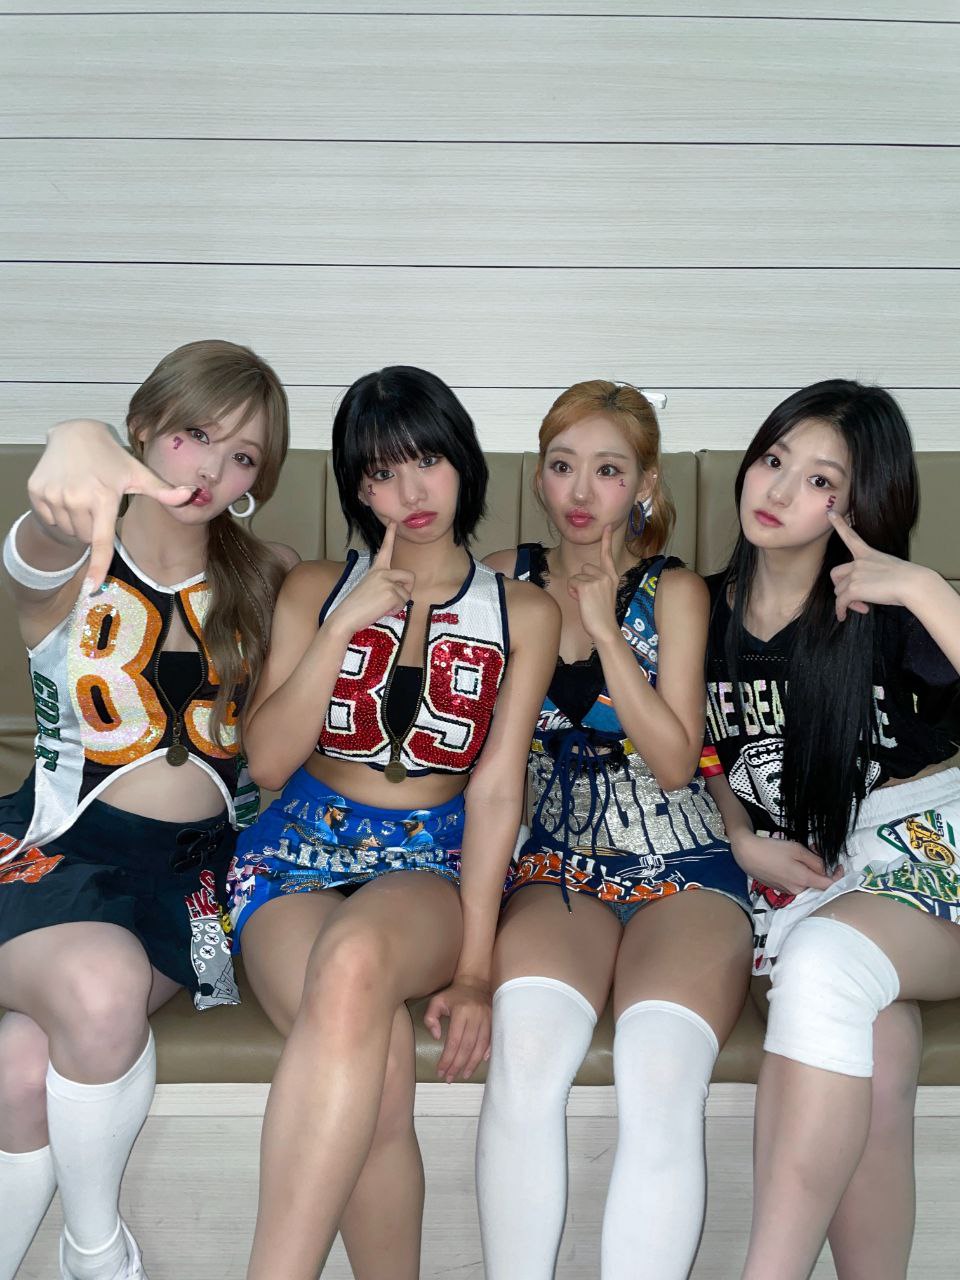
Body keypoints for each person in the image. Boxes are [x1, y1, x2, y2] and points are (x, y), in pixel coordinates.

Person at [227, 364, 558, 1280]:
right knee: (378, 1080)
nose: (410, 492)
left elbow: (497, 792)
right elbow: (266, 763)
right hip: (294, 850)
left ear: (463, 464)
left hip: (431, 863)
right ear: (357, 490)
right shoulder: (314, 589)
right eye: (380, 473)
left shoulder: (523, 612)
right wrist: (343, 626)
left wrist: (478, 970)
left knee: (354, 961)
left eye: (427, 461)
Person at [0, 339, 294, 1280]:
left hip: (196, 875)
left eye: (241, 456)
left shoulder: (270, 577)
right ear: (143, 427)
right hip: (58, 847)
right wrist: (73, 436)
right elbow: (34, 540)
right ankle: (97, 1252)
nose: (210, 469)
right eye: (193, 435)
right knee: (98, 992)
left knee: (19, 1068)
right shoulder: (73, 559)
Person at [475, 379, 753, 1279]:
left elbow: (674, 762)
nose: (581, 492)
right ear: (539, 476)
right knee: (525, 1058)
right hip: (555, 865)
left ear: (643, 485)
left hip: (683, 863)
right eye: (562, 466)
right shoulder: (501, 578)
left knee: (660, 1073)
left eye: (608, 470)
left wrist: (603, 628)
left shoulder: (675, 591)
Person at [703, 379, 960, 1279]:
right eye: (774, 459)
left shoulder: (893, 614)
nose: (778, 490)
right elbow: (695, 750)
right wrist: (738, 832)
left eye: (821, 481)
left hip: (926, 874)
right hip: (796, 890)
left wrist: (923, 587)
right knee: (878, 1066)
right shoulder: (698, 608)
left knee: (825, 967)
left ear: (860, 505)